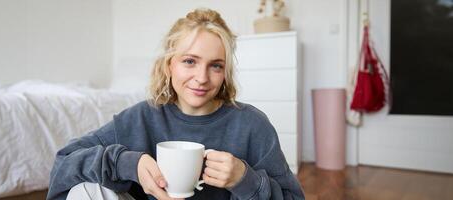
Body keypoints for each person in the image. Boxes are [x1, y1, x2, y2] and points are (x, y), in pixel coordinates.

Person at [47, 8, 305, 200]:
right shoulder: (141, 117)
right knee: (87, 191)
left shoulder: (251, 124)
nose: (202, 78)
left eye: (216, 65)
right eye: (190, 61)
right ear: (169, 65)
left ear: (226, 72)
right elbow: (64, 163)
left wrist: (245, 180)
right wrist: (127, 163)